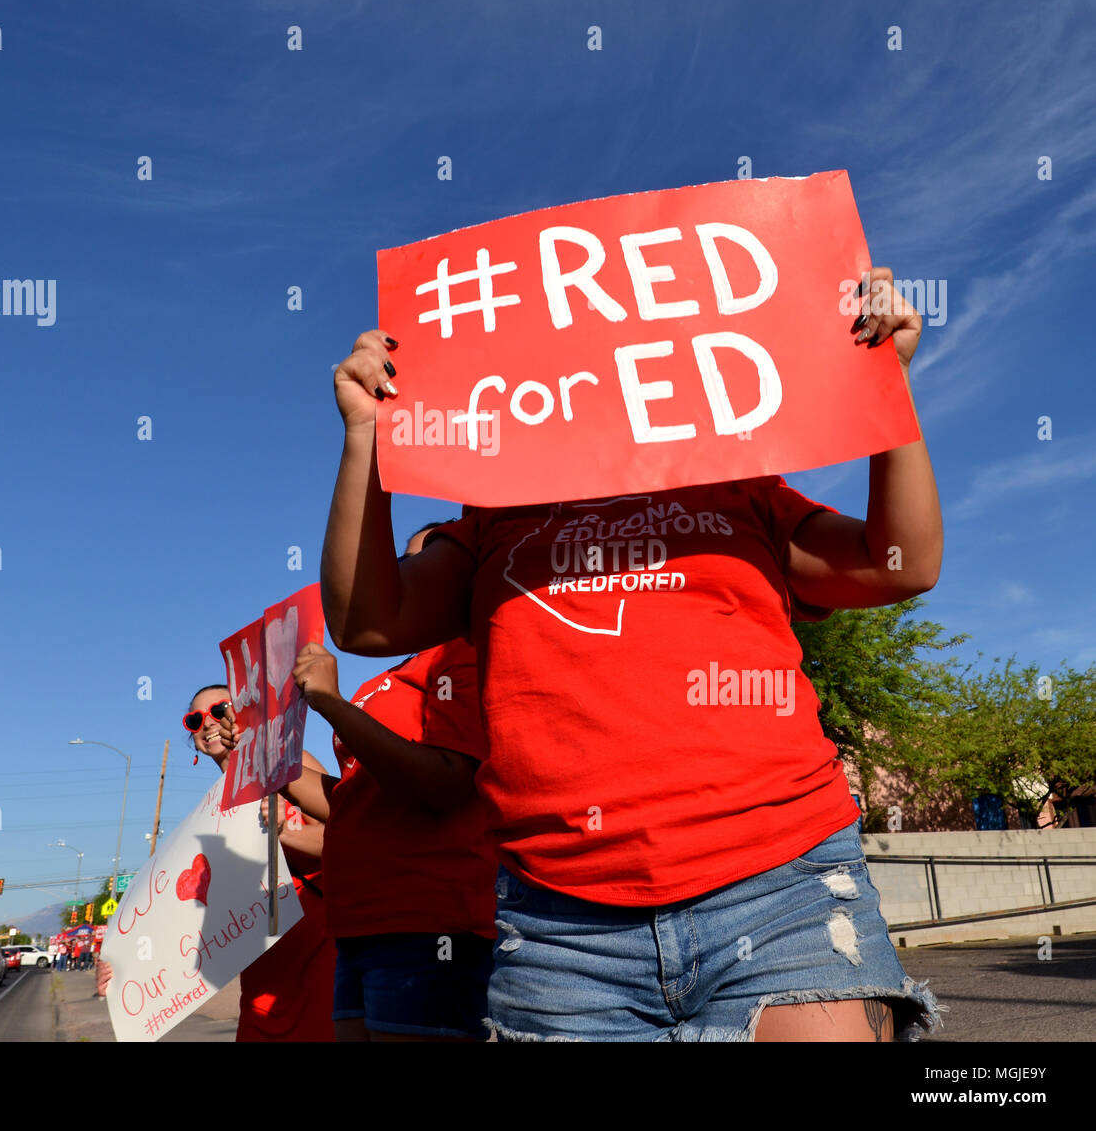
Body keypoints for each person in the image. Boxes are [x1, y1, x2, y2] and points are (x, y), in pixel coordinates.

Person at [320, 266, 944, 1042]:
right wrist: (365, 440)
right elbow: (363, 620)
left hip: (781, 880)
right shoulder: (494, 515)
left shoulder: (735, 483)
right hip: (562, 924)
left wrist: (887, 386)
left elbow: (902, 563)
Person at [278, 524, 496, 1042]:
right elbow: (349, 800)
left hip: (427, 924)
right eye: (405, 560)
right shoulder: (392, 675)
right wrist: (255, 753)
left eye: (431, 558)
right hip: (360, 926)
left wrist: (330, 705)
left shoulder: (464, 658)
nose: (406, 572)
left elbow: (442, 783)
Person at [97, 687, 336, 1042]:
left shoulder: (288, 763)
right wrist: (121, 965)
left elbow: (352, 836)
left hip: (320, 959)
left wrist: (286, 832)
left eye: (219, 709)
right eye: (195, 719)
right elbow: (179, 917)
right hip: (261, 980)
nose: (207, 722)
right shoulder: (209, 821)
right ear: (193, 740)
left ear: (243, 712)